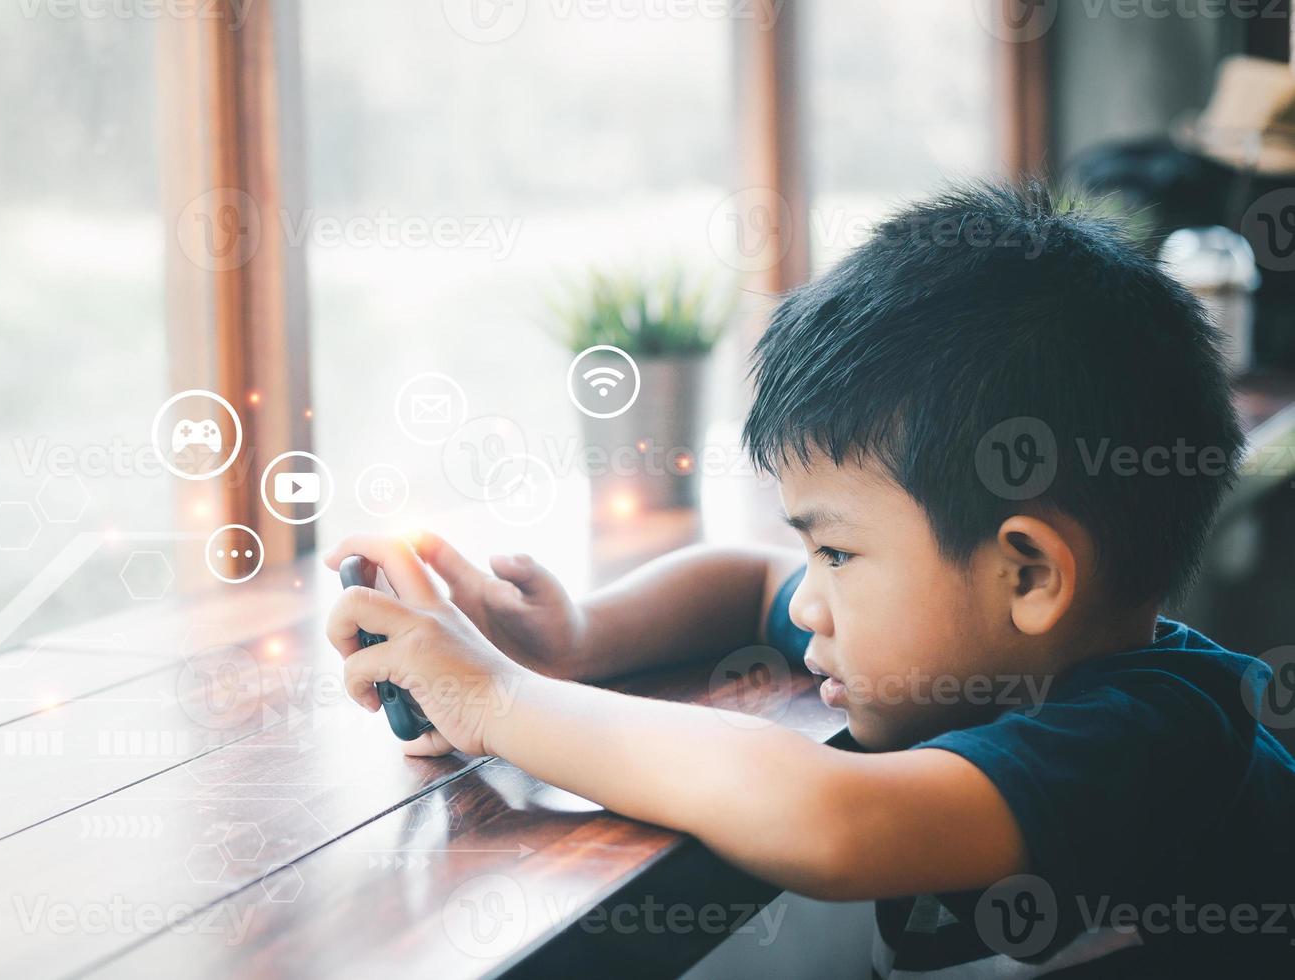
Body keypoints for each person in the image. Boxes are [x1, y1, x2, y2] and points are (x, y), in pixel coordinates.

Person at [324, 183, 1295, 976]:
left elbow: (824, 816)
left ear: (1028, 572)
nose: (805, 596)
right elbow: (747, 583)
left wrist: (496, 698)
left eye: (834, 552)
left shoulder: (1155, 733)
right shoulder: (965, 643)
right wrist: (580, 635)